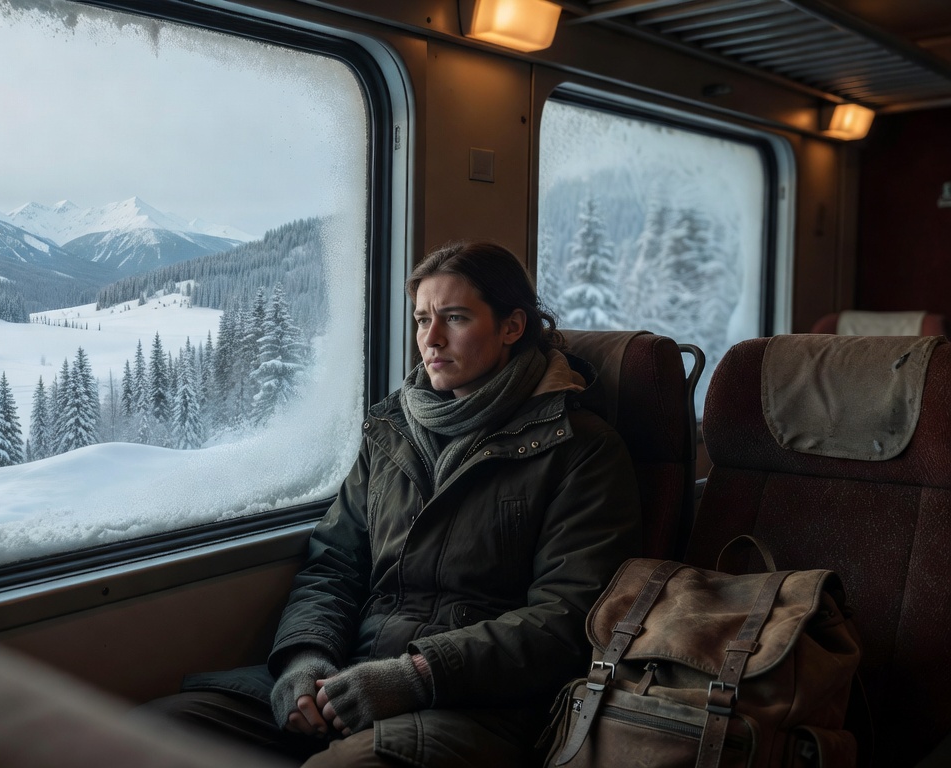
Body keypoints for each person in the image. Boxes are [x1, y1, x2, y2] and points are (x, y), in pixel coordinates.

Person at [142, 242, 641, 767]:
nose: (430, 339)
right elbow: (333, 565)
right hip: (351, 671)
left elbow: (567, 619)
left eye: (455, 318)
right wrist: (306, 660)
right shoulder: (392, 430)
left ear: (512, 327)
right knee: (157, 731)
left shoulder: (580, 448)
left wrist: (417, 676)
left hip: (478, 702)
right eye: (423, 319)